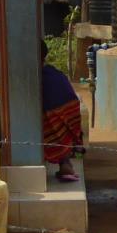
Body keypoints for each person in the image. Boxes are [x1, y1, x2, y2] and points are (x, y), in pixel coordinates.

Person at [41, 40, 84, 183]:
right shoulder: (53, 72)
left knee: (51, 128)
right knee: (62, 133)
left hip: (58, 110)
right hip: (71, 109)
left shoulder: (38, 76)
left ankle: (65, 164)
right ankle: (65, 163)